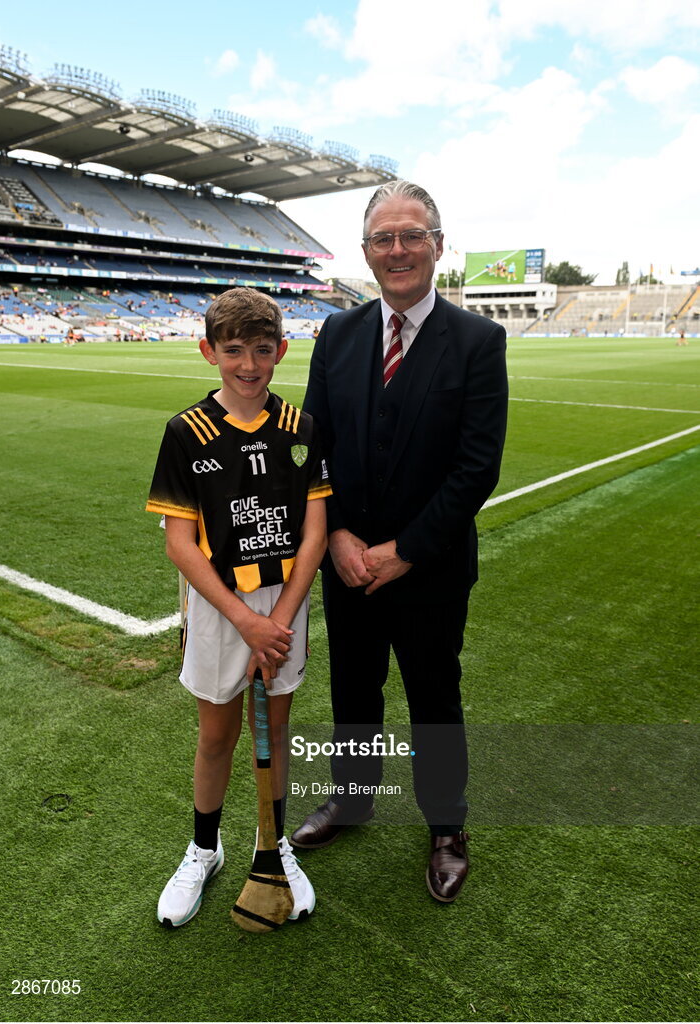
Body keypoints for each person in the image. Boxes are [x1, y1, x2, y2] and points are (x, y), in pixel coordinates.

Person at [290, 181, 508, 902]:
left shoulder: (478, 342)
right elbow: (313, 447)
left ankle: (446, 825)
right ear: (365, 252)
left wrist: (404, 549)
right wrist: (343, 537)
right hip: (345, 560)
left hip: (431, 567)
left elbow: (476, 467)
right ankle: (352, 800)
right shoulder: (339, 334)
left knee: (432, 697)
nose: (397, 250)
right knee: (354, 688)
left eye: (411, 235)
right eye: (382, 238)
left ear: (437, 246)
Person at [146, 287, 330, 927]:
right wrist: (247, 620)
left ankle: (273, 846)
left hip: (285, 602)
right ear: (208, 352)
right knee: (219, 734)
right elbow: (180, 544)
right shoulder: (186, 432)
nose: (248, 365)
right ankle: (204, 848)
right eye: (233, 351)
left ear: (280, 350)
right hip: (220, 606)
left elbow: (314, 534)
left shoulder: (300, 428)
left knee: (276, 731)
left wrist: (276, 620)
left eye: (260, 350)